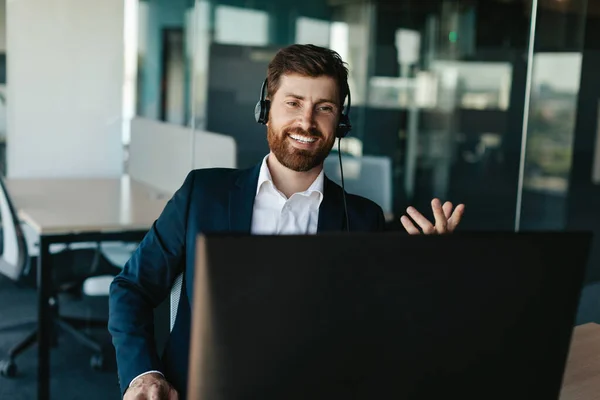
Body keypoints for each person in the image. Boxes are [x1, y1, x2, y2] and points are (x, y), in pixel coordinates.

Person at [108, 43, 465, 400]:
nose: (306, 122)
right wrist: (144, 374)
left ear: (340, 121)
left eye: (324, 108)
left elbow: (384, 333)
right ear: (266, 110)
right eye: (293, 103)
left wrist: (428, 274)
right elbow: (131, 287)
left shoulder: (361, 219)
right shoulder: (203, 194)